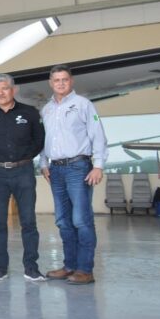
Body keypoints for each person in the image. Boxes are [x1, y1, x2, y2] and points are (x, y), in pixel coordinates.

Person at [39, 65, 107, 285]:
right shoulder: (46, 109)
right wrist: (43, 163)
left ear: (71, 81)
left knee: (81, 220)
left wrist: (98, 165)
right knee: (63, 221)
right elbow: (44, 140)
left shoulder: (83, 105)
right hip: (55, 169)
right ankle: (70, 266)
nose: (60, 83)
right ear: (51, 83)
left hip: (79, 167)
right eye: (56, 80)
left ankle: (85, 269)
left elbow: (98, 136)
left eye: (64, 80)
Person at [0, 74, 45, 282]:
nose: (0, 92)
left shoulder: (29, 112)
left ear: (13, 90)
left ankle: (31, 268)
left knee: (29, 222)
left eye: (4, 88)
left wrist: (25, 158)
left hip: (23, 171)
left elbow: (39, 140)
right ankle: (0, 268)